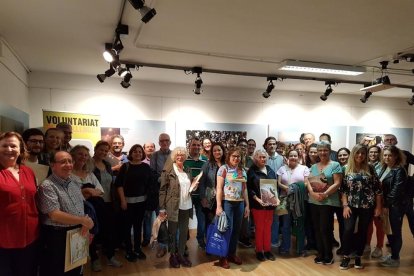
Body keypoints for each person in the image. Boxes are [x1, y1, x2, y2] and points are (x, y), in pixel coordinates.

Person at [37, 151, 94, 276]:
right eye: (63, 162)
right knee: (58, 271)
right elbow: (54, 215)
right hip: (57, 237)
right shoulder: (47, 186)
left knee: (77, 270)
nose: (68, 165)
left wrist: (86, 226)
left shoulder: (73, 182)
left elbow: (81, 207)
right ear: (52, 165)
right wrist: (82, 221)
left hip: (78, 233)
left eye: (70, 161)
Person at [0, 132, 39, 276]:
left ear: (21, 149)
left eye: (13, 146)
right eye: (4, 145)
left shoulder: (28, 171)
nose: (9, 149)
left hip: (31, 238)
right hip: (4, 239)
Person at [339, 144, 382, 270]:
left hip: (367, 206)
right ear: (353, 154)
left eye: (363, 153)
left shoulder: (370, 168)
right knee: (348, 229)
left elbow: (378, 190)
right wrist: (345, 205)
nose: (360, 155)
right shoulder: (345, 168)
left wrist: (378, 207)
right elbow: (343, 190)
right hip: (350, 206)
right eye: (357, 153)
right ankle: (346, 256)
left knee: (363, 231)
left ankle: (358, 256)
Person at [159, 147, 198, 268]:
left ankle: (181, 255)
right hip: (173, 206)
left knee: (183, 233)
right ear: (174, 157)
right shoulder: (168, 171)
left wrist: (194, 186)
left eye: (182, 155)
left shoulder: (187, 170)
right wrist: (162, 208)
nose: (180, 157)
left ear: (185, 157)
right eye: (178, 155)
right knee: (172, 233)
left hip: (186, 205)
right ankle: (173, 256)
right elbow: (163, 190)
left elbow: (188, 188)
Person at [70, 145, 106, 272]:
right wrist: (86, 191)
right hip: (75, 212)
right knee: (79, 238)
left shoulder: (89, 174)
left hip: (94, 212)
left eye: (86, 155)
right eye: (80, 154)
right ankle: (78, 264)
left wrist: (88, 191)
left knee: (92, 236)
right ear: (72, 155)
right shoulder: (68, 174)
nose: (83, 157)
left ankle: (94, 258)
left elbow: (101, 191)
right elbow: (68, 195)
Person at [306, 141, 342, 265]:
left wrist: (325, 194)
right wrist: (313, 193)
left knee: (325, 229)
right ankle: (320, 253)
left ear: (329, 151)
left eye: (325, 150)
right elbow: (309, 182)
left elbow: (337, 183)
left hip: (328, 201)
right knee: (316, 228)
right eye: (320, 150)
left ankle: (328, 254)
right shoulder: (314, 166)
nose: (322, 152)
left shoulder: (335, 165)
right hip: (314, 201)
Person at [116, 144, 153, 262]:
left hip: (141, 203)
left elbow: (149, 185)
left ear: (142, 154)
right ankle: (128, 250)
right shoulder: (125, 167)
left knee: (138, 227)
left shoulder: (146, 167)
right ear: (131, 153)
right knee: (127, 227)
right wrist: (122, 200)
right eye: (135, 152)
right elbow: (119, 185)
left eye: (140, 152)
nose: (138, 153)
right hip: (127, 203)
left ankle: (137, 249)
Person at [216, 147, 250, 269]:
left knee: (236, 230)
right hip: (227, 203)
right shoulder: (223, 169)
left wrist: (247, 206)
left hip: (239, 203)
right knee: (226, 229)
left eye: (238, 156)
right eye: (233, 156)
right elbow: (219, 188)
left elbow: (244, 189)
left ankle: (232, 254)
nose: (236, 158)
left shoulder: (242, 170)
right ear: (229, 157)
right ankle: (223, 256)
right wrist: (219, 206)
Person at [92, 140, 123, 268]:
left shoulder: (107, 165)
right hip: (95, 203)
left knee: (109, 230)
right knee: (94, 232)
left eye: (106, 150)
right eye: (101, 149)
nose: (103, 152)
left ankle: (110, 256)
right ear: (95, 149)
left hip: (109, 203)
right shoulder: (89, 164)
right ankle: (94, 259)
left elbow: (111, 184)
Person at [378, 146, 408, 267]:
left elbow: (396, 191)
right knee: (388, 231)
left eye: (390, 155)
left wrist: (386, 204)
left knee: (395, 232)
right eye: (385, 155)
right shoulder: (385, 168)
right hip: (386, 205)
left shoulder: (399, 170)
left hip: (394, 206)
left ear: (396, 156)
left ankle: (395, 258)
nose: (387, 157)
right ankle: (393, 255)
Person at [277, 149, 310, 256]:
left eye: (295, 155)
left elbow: (306, 183)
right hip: (285, 200)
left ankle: (301, 249)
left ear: (298, 157)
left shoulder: (304, 168)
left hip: (300, 201)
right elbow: (278, 183)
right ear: (287, 157)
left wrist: (294, 188)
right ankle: (285, 247)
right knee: (286, 224)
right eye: (291, 155)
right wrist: (288, 188)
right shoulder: (282, 169)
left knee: (300, 224)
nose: (293, 157)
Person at [247, 149, 278, 262]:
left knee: (268, 228)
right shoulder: (252, 171)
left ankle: (268, 250)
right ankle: (259, 251)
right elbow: (249, 189)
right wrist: (258, 199)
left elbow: (274, 186)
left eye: (264, 157)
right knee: (259, 228)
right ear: (255, 158)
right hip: (258, 205)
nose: (262, 159)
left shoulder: (270, 170)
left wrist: (277, 199)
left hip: (270, 204)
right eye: (260, 157)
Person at [184, 137, 207, 249]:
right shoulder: (184, 160)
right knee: (184, 220)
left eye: (198, 145)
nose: (196, 147)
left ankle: (201, 240)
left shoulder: (205, 161)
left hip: (201, 196)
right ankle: (184, 241)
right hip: (187, 196)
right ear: (189, 146)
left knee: (201, 219)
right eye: (194, 145)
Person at [199, 142, 226, 233]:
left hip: (224, 198)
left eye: (219, 150)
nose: (217, 152)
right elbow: (202, 182)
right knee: (210, 222)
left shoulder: (227, 165)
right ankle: (209, 243)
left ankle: (220, 244)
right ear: (212, 152)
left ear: (223, 151)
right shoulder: (207, 165)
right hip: (210, 199)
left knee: (222, 222)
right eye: (214, 150)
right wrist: (203, 197)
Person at [263, 137, 283, 248]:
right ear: (265, 145)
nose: (272, 146)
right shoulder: (262, 157)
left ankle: (274, 240)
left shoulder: (282, 159)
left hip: (279, 191)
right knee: (265, 217)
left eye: (274, 144)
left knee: (276, 217)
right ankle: (264, 240)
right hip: (265, 190)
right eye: (269, 144)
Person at [366, 145, 384, 258]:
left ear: (379, 153)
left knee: (379, 224)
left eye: (375, 152)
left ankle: (379, 247)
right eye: (371, 152)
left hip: (379, 199)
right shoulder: (365, 165)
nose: (373, 154)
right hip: (367, 200)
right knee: (367, 224)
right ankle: (367, 244)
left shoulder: (384, 166)